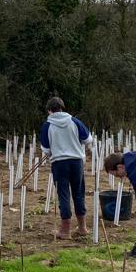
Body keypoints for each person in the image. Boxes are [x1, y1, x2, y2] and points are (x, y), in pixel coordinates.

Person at [38, 96, 91, 239]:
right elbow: (88, 139)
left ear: (49, 111)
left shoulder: (47, 126)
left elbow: (46, 150)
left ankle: (65, 230)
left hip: (59, 163)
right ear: (62, 108)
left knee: (63, 194)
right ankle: (82, 228)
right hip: (76, 162)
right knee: (78, 193)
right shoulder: (75, 121)